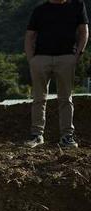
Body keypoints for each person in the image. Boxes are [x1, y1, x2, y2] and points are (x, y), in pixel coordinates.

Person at [24, 0, 88, 149]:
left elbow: (84, 31)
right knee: (39, 98)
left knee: (66, 98)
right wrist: (31, 59)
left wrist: (77, 55)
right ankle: (37, 135)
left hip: (66, 58)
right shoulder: (40, 9)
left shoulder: (77, 5)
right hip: (41, 58)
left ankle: (67, 136)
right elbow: (30, 35)